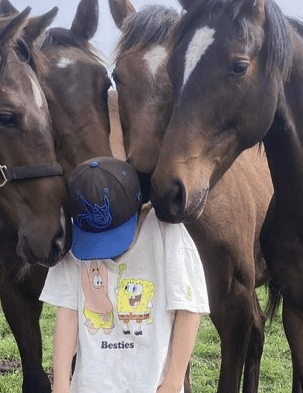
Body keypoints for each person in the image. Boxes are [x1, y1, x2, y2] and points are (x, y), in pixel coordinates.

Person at [40, 156, 209, 393]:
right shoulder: (76, 239)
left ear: (138, 209)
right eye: (94, 241)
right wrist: (60, 386)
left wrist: (172, 383)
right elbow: (67, 313)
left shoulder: (166, 234)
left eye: (112, 237)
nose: (105, 252)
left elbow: (189, 309)